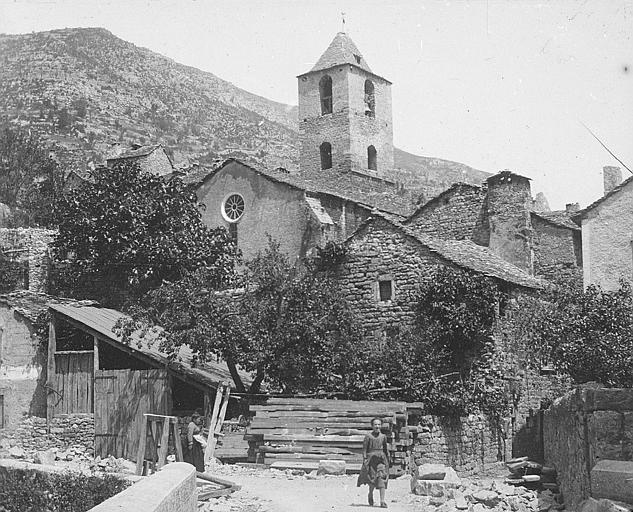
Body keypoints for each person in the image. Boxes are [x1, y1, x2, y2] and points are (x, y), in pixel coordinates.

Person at [357, 417, 389, 508]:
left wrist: (387, 460)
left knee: (382, 477)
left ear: (381, 426)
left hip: (381, 460)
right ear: (372, 426)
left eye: (379, 424)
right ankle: (370, 494)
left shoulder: (383, 437)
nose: (377, 426)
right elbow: (364, 449)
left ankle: (382, 501)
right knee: (372, 480)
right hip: (371, 460)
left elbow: (386, 449)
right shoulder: (368, 436)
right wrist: (364, 459)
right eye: (375, 424)